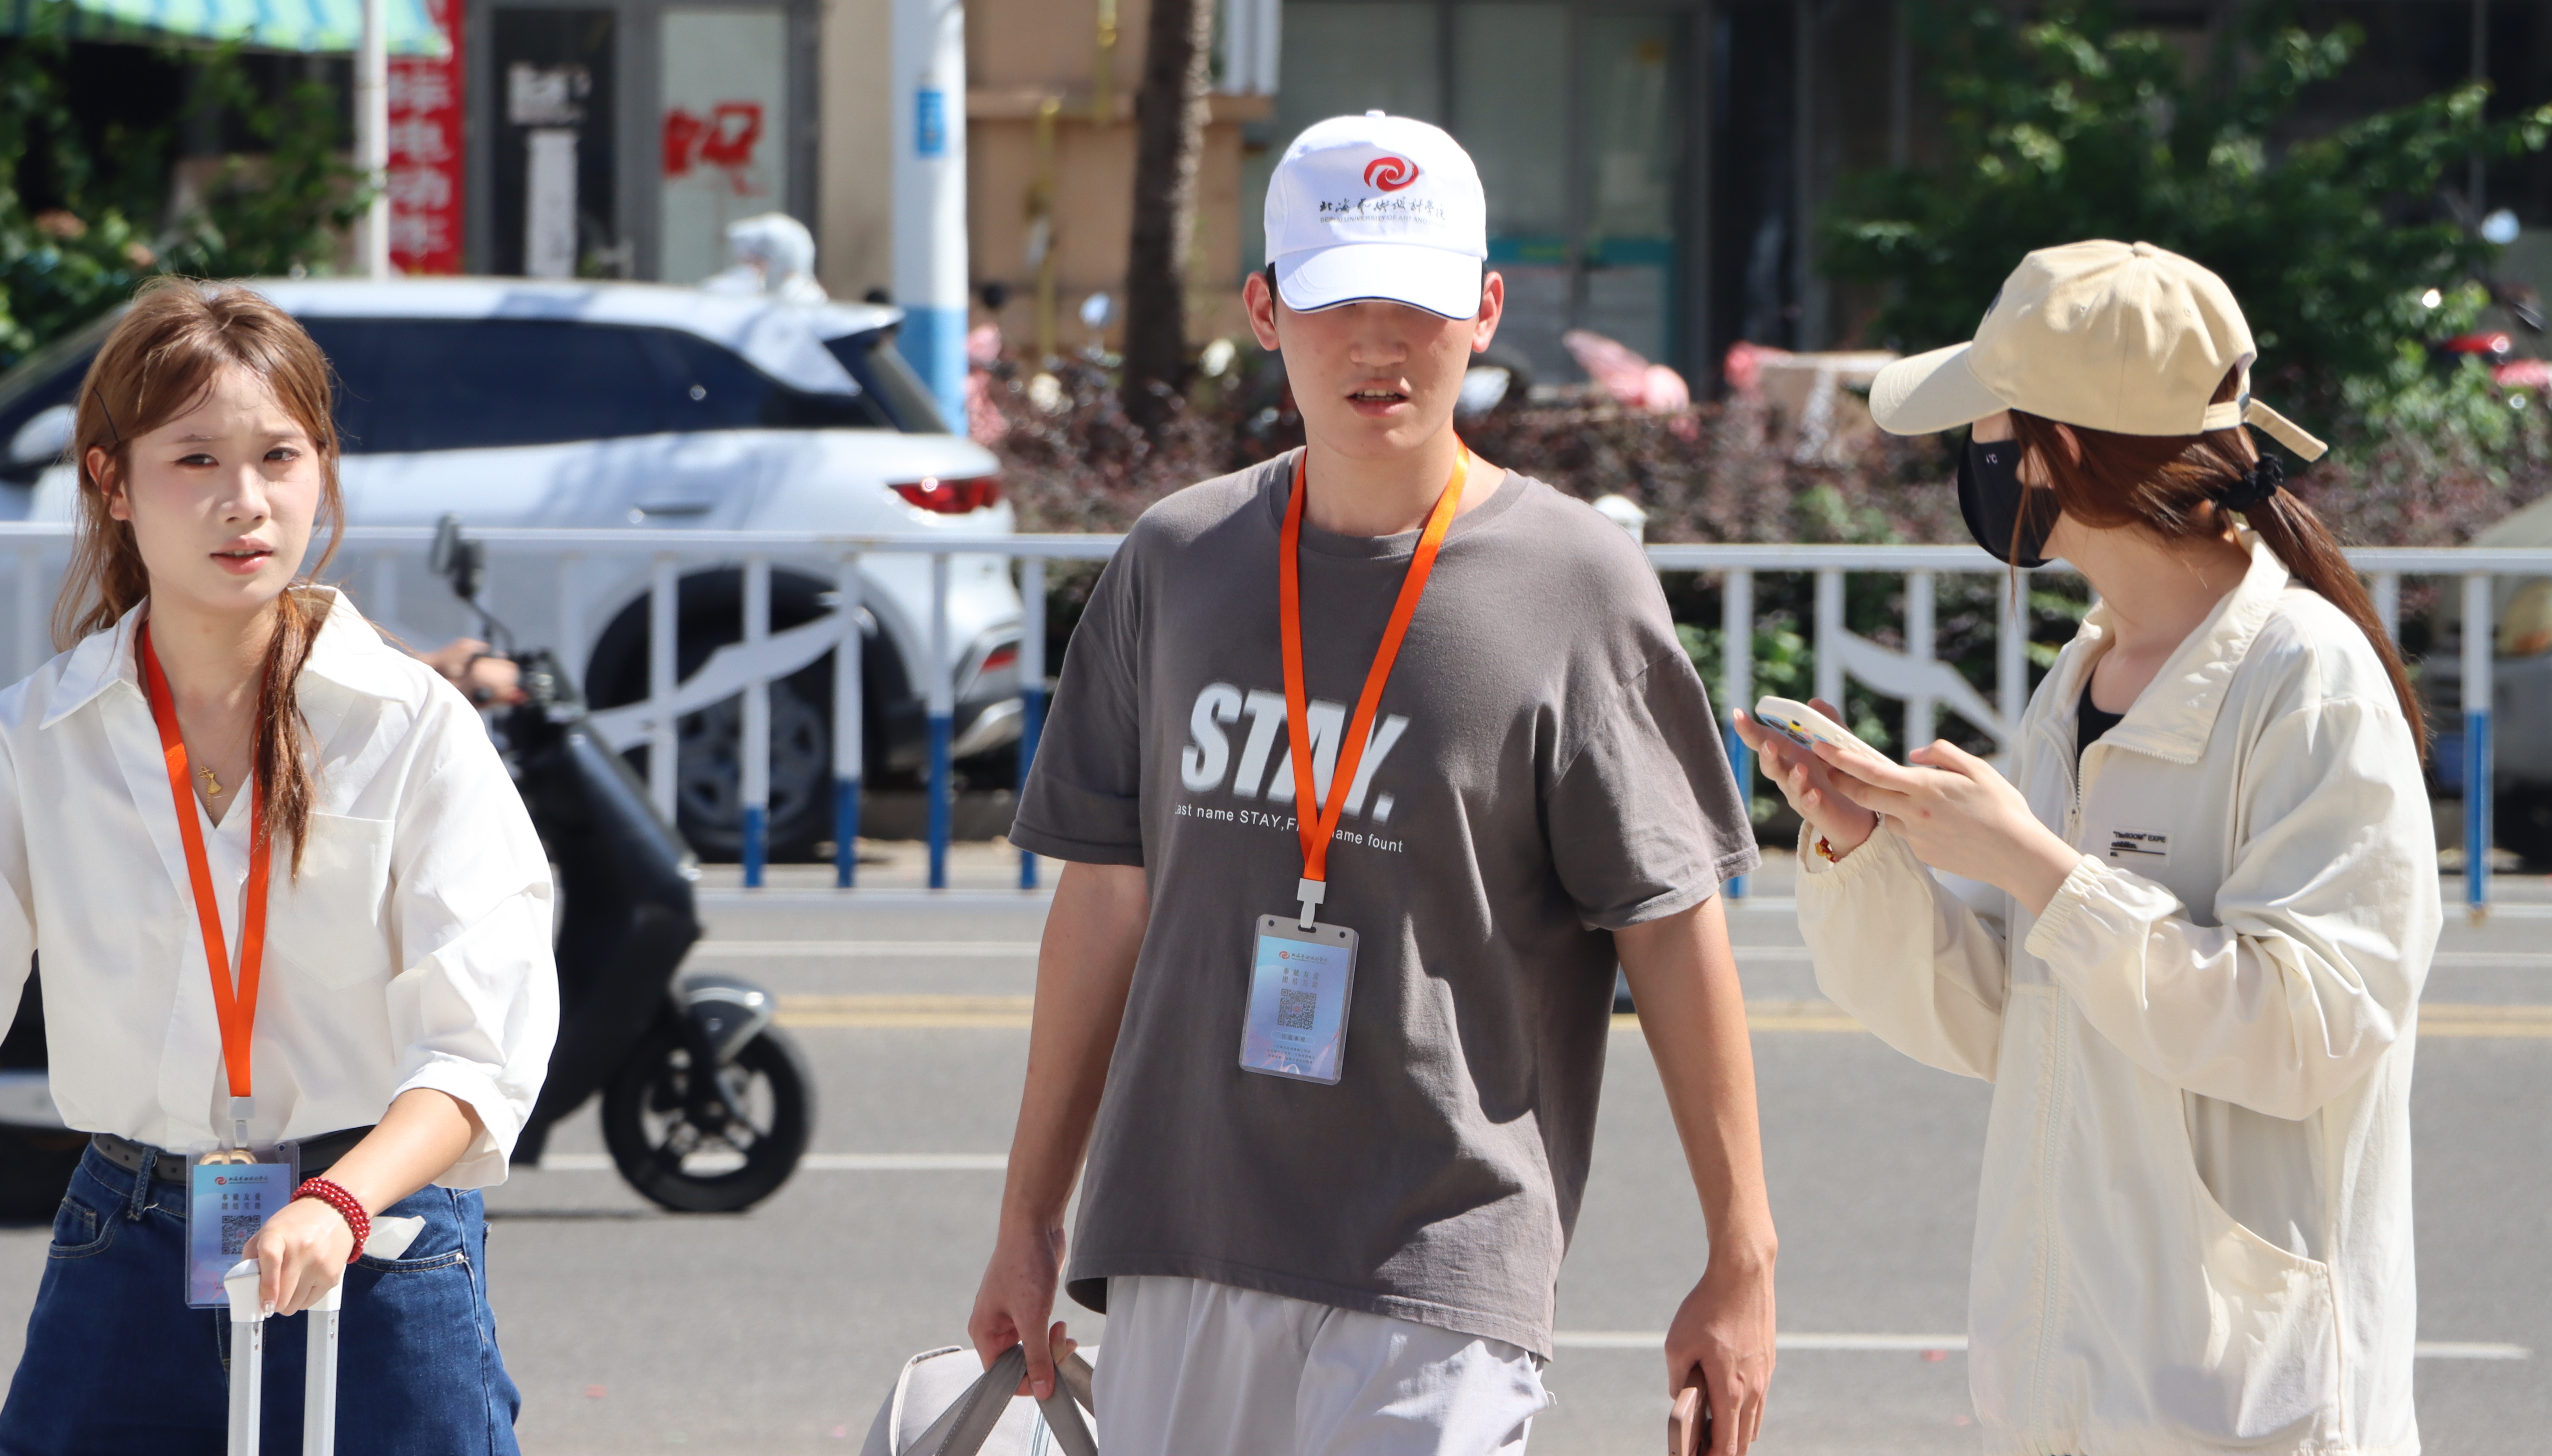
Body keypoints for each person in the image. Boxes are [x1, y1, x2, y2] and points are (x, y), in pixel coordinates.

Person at [972, 112, 1778, 1456]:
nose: (1379, 344)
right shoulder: (1177, 563)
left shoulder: (1575, 586)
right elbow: (1103, 905)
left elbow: (1673, 930)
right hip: (1181, 1235)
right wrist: (1028, 1220)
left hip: (1443, 1257)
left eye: (1419, 303)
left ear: (1487, 310)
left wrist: (1741, 1259)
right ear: (1266, 311)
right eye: (1339, 301)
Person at [0, 280, 558, 1455]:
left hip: (373, 1248)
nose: (244, 501)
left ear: (322, 470)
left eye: (279, 457)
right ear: (111, 483)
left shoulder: (410, 726)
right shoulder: (33, 738)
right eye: (195, 460)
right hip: (125, 1240)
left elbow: (481, 1039)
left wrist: (340, 1198)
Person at [1733, 241, 2436, 1456]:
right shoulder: (2085, 676)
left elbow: (2308, 1029)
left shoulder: (2307, 677)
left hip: (2240, 1409)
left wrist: (2035, 866)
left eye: (1986, 425)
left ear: (2052, 448)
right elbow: (2012, 1022)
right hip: (2067, 1387)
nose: (1974, 459)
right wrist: (1862, 847)